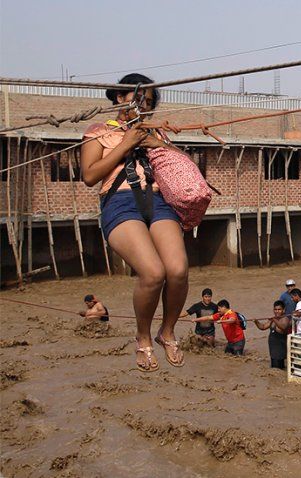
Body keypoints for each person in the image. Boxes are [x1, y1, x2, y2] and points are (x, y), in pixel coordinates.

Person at [80, 73, 188, 372]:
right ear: (120, 98)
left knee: (177, 270)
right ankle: (143, 337)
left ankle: (167, 331)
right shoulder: (100, 130)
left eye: (149, 102)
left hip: (159, 200)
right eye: (138, 98)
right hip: (120, 201)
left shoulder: (156, 133)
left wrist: (156, 143)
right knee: (153, 273)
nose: (144, 106)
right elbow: (90, 175)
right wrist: (126, 143)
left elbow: (181, 164)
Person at [255, 300, 290, 369]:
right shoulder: (272, 319)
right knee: (274, 368)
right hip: (273, 350)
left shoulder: (285, 319)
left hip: (280, 350)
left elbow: (283, 327)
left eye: (279, 309)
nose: (277, 311)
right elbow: (263, 327)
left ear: (283, 310)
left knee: (278, 369)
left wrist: (274, 320)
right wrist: (256, 322)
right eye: (275, 309)